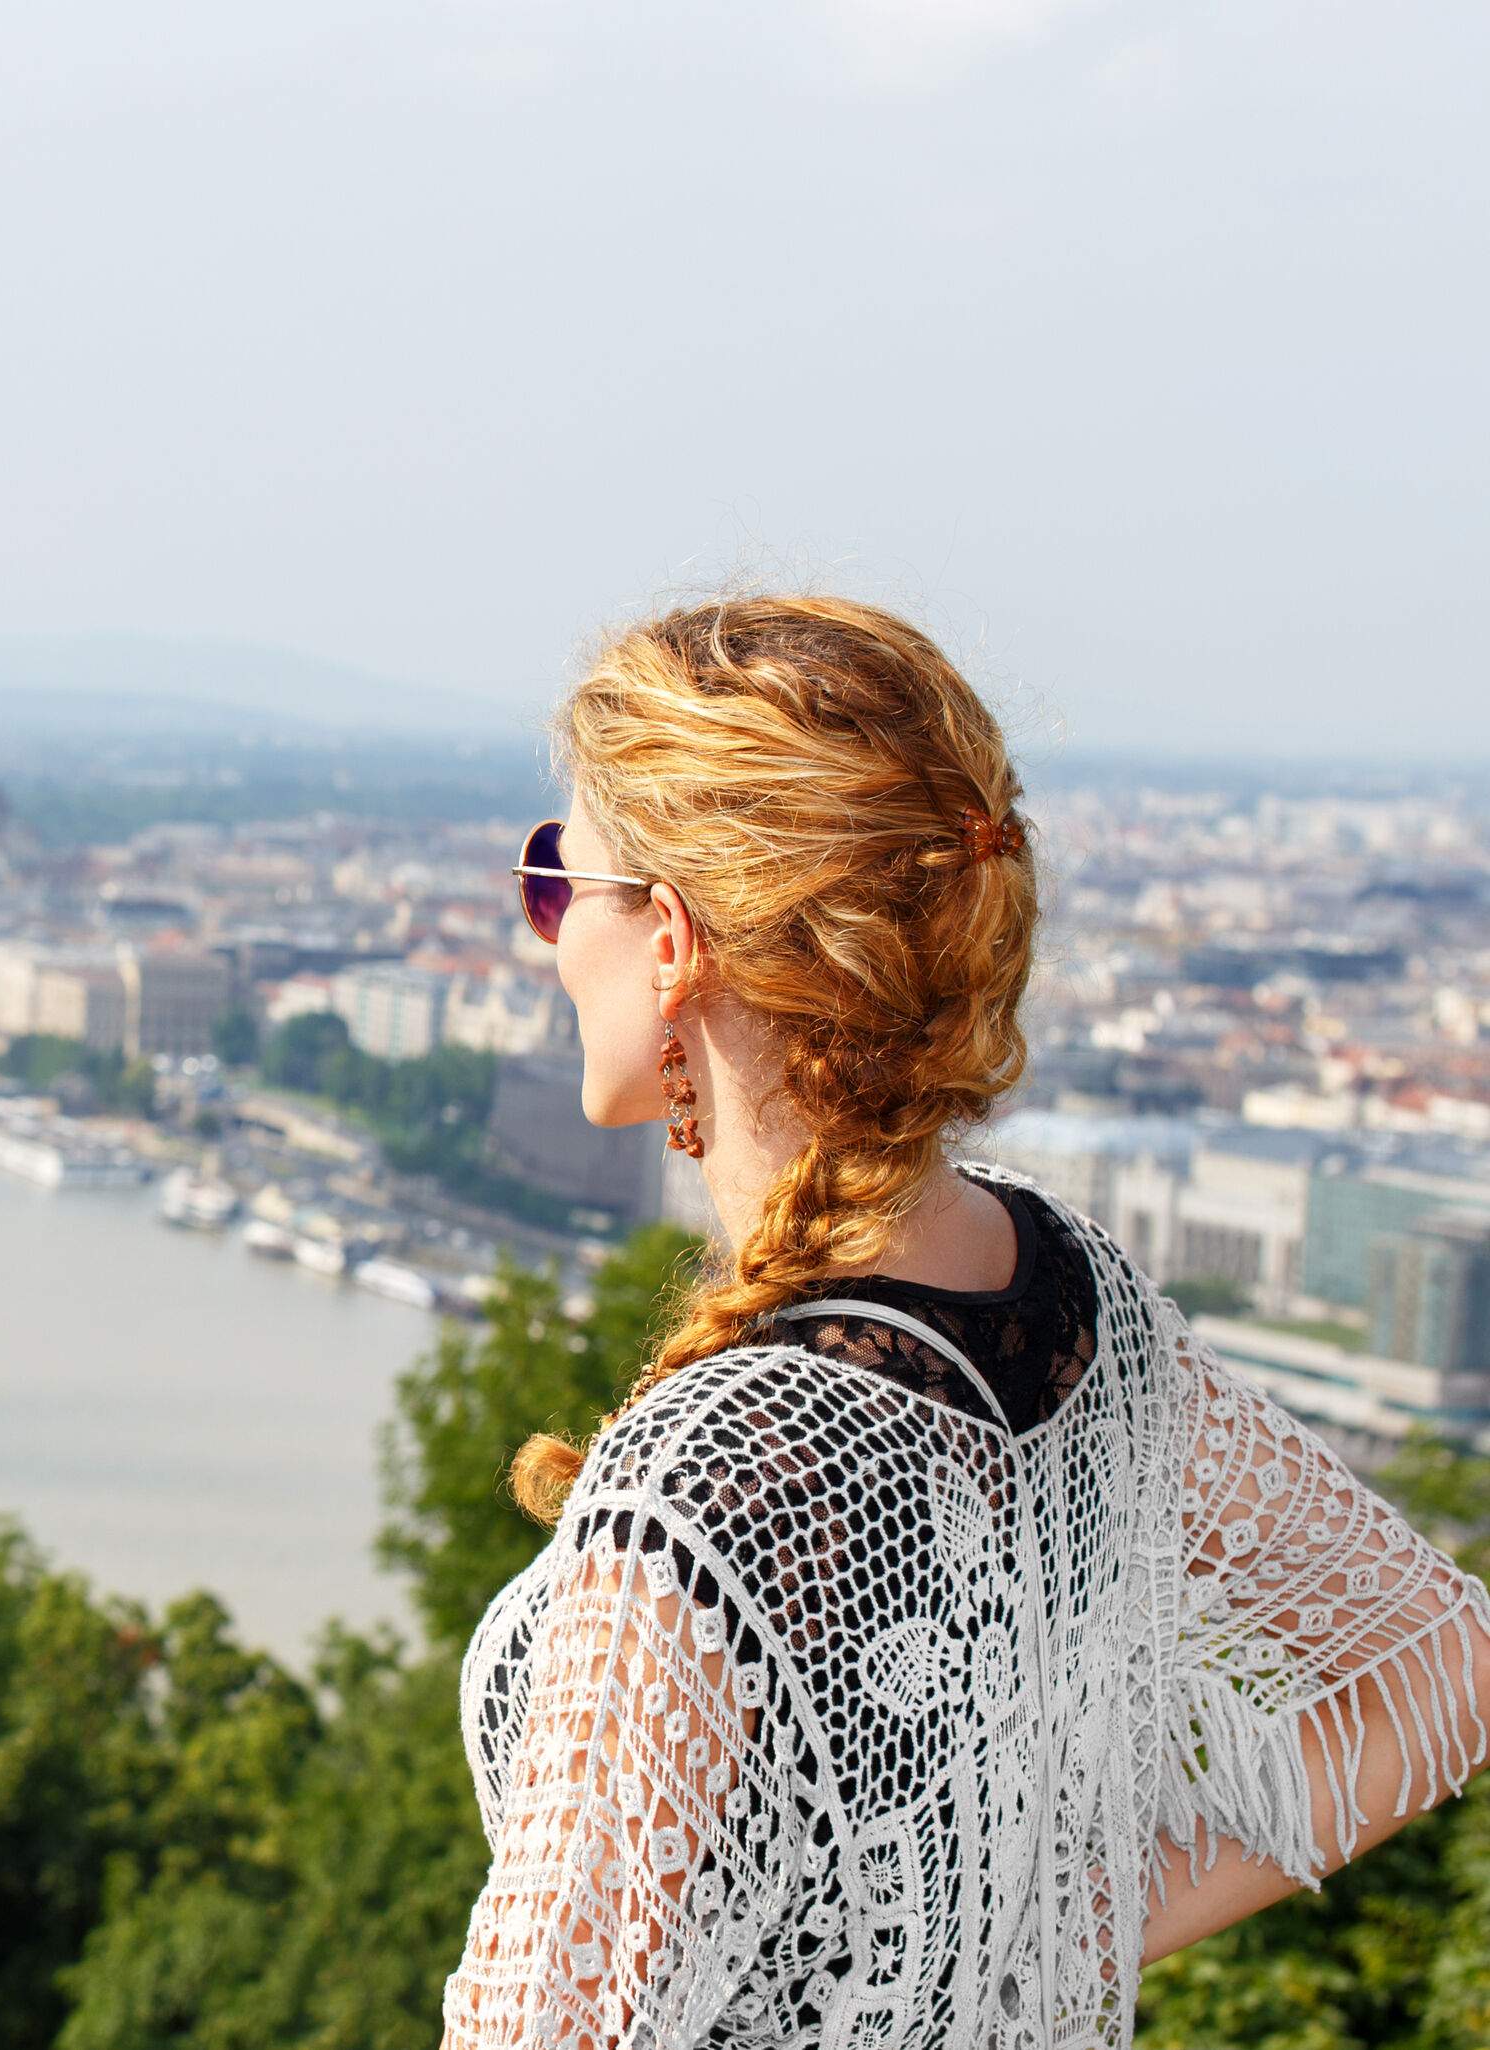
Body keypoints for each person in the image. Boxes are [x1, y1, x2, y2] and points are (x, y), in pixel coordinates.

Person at [440, 596, 1490, 2048]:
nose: (547, 937)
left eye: (560, 883)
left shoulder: (699, 1486)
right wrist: (1028, 1968)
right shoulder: (1064, 1289)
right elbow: (1433, 1668)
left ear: (672, 941)